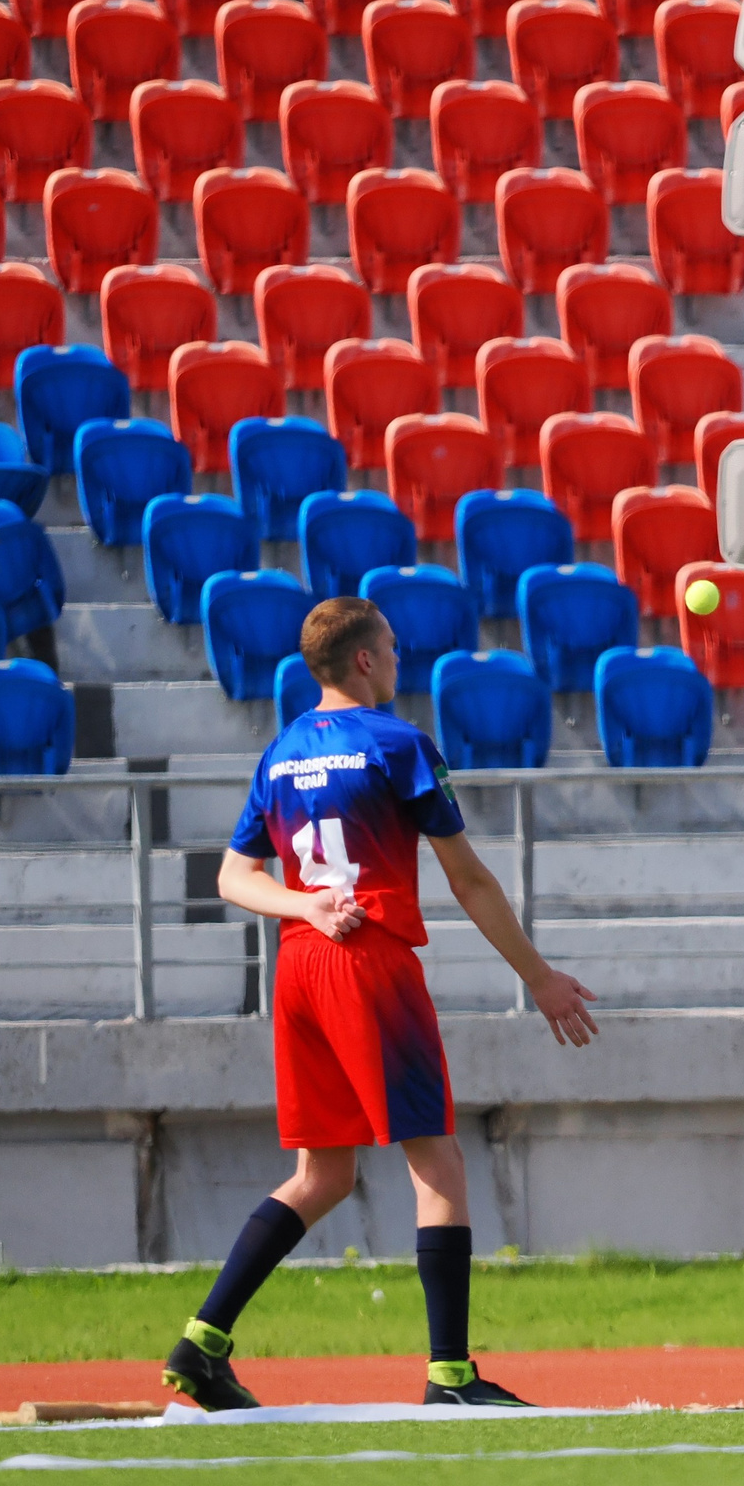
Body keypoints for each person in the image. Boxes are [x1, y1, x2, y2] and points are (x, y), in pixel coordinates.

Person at [161, 597, 600, 1412]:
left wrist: (305, 906)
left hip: (298, 969)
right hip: (369, 965)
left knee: (321, 1173)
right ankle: (451, 1376)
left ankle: (201, 1342)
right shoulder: (399, 745)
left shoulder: (282, 752)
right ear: (363, 659)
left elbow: (232, 876)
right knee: (437, 1164)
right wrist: (539, 974)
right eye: (392, 649)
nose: (400, 661)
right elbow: (467, 877)